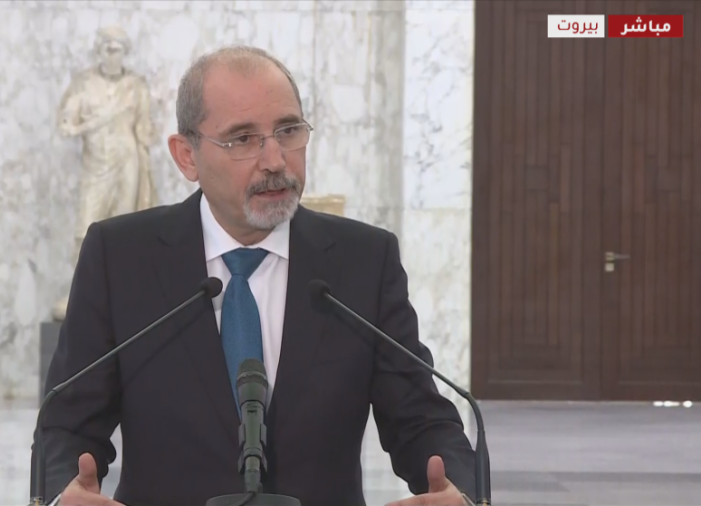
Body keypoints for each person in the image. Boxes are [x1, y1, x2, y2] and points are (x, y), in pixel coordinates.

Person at [35, 46, 477, 506]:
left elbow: (422, 421)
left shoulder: (363, 261)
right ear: (187, 156)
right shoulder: (121, 258)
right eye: (243, 139)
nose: (275, 160)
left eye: (288, 131)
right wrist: (63, 494)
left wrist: (459, 493)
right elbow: (65, 425)